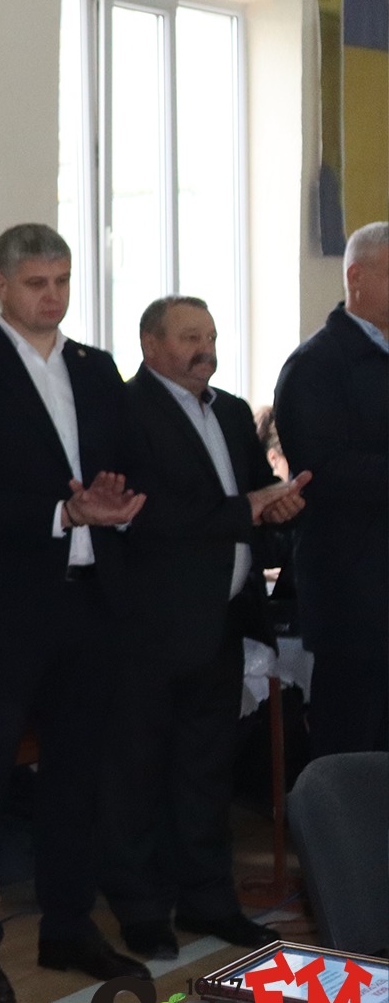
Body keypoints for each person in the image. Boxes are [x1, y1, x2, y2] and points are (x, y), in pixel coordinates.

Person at [0, 222, 148, 1003]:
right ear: (0, 286)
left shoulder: (96, 367)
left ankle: (67, 924)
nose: (52, 296)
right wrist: (62, 511)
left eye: (62, 281)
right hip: (8, 611)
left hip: (92, 600)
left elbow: (127, 464)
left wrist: (116, 501)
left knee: (77, 773)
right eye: (36, 283)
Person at [102, 295, 302, 960]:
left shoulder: (234, 412)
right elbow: (148, 512)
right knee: (139, 771)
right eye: (190, 337)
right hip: (149, 626)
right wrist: (246, 507)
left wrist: (279, 505)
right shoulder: (126, 410)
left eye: (211, 336)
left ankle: (208, 900)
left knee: (206, 770)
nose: (205, 350)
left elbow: (253, 493)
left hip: (221, 620)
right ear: (150, 343)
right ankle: (141, 909)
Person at [273, 220, 389, 755]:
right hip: (355, 596)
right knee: (352, 749)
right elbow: (323, 472)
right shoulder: (316, 366)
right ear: (356, 277)